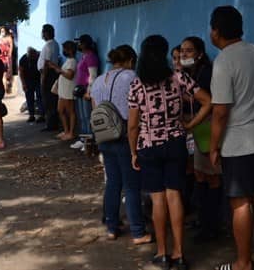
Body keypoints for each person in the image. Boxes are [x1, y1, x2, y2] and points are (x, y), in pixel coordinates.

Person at [127, 35, 212, 270]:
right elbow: (207, 101)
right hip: (176, 143)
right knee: (175, 197)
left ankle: (163, 253)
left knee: (158, 199)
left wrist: (133, 151)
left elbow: (133, 125)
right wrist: (190, 125)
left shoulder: (137, 84)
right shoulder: (178, 77)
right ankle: (180, 254)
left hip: (149, 146)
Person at [208, 6, 254, 270]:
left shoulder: (224, 61)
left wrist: (214, 146)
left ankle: (243, 263)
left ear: (216, 31)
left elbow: (221, 111)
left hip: (238, 144)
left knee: (240, 203)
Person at [91, 44, 152, 244]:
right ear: (131, 61)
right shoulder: (132, 77)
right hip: (125, 136)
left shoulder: (99, 80)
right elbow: (139, 108)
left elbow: (95, 109)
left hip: (104, 136)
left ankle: (111, 227)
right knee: (132, 185)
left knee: (113, 183)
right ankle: (138, 232)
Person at [179, 36, 220, 242]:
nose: (184, 54)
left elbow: (207, 100)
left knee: (211, 177)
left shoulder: (207, 73)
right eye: (182, 50)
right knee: (199, 175)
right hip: (195, 129)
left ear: (200, 53)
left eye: (189, 51)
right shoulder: (188, 73)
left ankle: (211, 226)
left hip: (205, 127)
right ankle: (203, 220)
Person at [73, 34, 99, 150]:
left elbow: (92, 76)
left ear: (85, 44)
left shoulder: (91, 57)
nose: (78, 45)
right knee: (82, 117)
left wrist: (89, 91)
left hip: (86, 90)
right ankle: (83, 139)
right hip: (80, 89)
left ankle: (89, 142)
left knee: (87, 116)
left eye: (80, 43)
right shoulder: (84, 56)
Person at [48, 40, 77, 141]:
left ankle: (71, 132)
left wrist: (58, 70)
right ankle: (66, 130)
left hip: (68, 90)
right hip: (63, 90)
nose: (63, 51)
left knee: (70, 111)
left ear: (69, 50)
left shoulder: (72, 61)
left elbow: (69, 75)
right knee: (61, 111)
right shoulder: (68, 61)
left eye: (65, 49)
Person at [37, 24, 60, 131]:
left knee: (48, 99)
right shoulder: (55, 44)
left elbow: (46, 63)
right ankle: (52, 122)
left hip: (48, 73)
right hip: (51, 73)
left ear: (47, 33)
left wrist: (43, 78)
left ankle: (50, 124)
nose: (42, 34)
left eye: (43, 32)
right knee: (51, 99)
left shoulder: (48, 46)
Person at [18, 47, 42, 123]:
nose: (32, 57)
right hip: (28, 81)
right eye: (31, 56)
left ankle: (42, 115)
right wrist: (23, 84)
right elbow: (21, 72)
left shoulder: (39, 56)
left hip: (38, 80)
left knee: (40, 97)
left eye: (33, 56)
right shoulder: (24, 59)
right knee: (29, 98)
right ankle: (31, 115)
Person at [0, 27, 14, 93]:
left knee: (9, 70)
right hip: (1, 57)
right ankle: (5, 87)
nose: (2, 32)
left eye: (3, 31)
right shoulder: (0, 38)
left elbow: (11, 46)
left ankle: (8, 85)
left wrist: (9, 54)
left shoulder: (9, 38)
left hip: (7, 57)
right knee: (3, 72)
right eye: (1, 31)